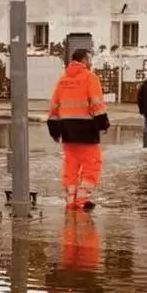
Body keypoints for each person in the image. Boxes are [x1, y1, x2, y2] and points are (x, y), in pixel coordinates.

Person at [47, 48, 110, 210]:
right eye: (89, 59)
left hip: (67, 130)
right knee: (92, 165)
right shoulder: (90, 78)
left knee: (70, 166)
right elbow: (97, 104)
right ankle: (82, 199)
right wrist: (103, 124)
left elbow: (54, 106)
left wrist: (54, 130)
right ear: (84, 60)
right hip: (87, 129)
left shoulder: (62, 80)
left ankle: (70, 200)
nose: (90, 62)